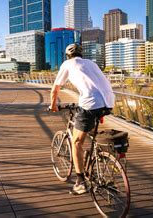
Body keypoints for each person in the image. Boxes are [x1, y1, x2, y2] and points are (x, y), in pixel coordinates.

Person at [49, 43, 115, 195]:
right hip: (108, 101)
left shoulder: (67, 64)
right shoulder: (91, 63)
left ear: (68, 56)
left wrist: (53, 105)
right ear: (81, 54)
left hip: (91, 103)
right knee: (89, 128)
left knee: (76, 142)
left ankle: (80, 183)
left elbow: (55, 89)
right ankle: (100, 157)